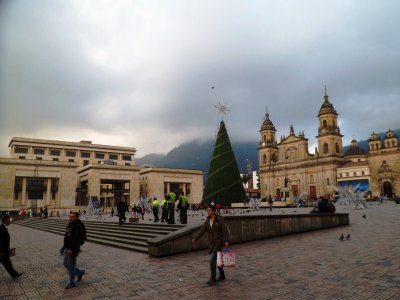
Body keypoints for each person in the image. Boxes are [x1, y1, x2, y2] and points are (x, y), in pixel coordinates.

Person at [192, 205, 229, 285]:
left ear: (213, 211)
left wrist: (226, 240)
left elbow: (224, 229)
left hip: (218, 242)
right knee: (218, 260)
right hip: (212, 243)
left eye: (209, 210)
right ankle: (222, 275)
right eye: (207, 210)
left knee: (212, 260)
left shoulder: (219, 219)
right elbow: (202, 230)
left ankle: (213, 278)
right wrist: (195, 238)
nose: (207, 212)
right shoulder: (207, 220)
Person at [63, 212, 86, 289]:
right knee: (66, 264)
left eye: (72, 217)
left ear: (76, 217)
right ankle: (79, 272)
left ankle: (71, 282)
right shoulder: (70, 224)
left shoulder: (78, 226)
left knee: (70, 266)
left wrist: (71, 249)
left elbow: (76, 239)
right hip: (67, 247)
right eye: (70, 216)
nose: (70, 218)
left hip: (72, 249)